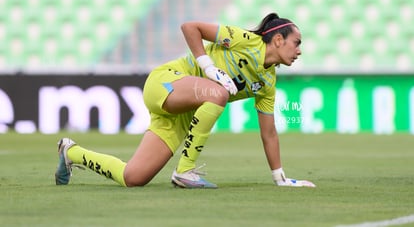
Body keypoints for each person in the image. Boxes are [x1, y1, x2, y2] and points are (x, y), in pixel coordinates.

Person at [55, 12, 315, 188]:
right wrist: (210, 68)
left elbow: (269, 134)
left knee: (133, 178)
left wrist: (280, 178)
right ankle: (185, 171)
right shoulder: (246, 41)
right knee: (219, 92)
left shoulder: (268, 83)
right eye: (297, 42)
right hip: (165, 83)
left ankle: (71, 152)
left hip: (180, 114)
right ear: (278, 39)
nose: (299, 50)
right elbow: (190, 27)